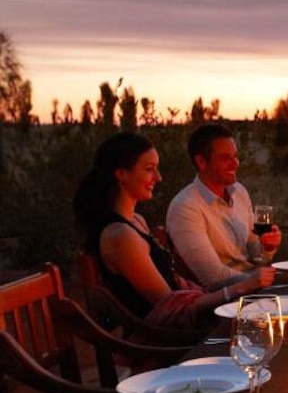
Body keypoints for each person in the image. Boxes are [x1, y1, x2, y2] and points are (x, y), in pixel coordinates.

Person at [72, 132, 274, 330]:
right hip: (165, 340)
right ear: (121, 174)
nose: (158, 178)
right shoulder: (120, 236)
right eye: (149, 169)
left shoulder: (136, 221)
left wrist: (262, 260)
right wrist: (242, 287)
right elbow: (170, 307)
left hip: (185, 324)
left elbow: (175, 290)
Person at [166, 123, 282, 289]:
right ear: (201, 161)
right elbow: (212, 277)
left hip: (253, 285)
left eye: (235, 156)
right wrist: (259, 281)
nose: (235, 163)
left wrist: (267, 247)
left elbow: (257, 258)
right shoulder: (185, 207)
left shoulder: (239, 192)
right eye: (225, 158)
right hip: (225, 300)